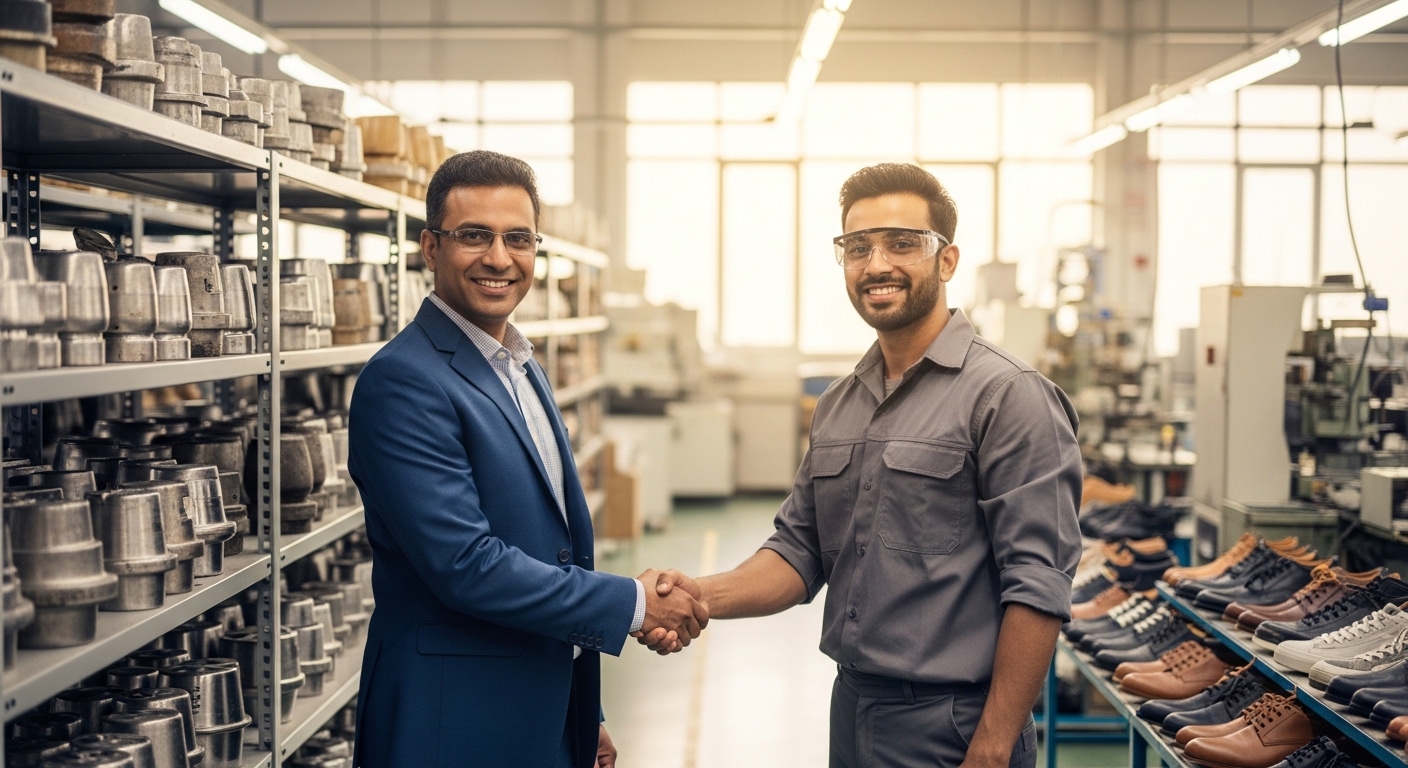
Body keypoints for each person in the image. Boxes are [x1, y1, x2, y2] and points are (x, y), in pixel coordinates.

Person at [642, 163, 1083, 768]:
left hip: (955, 722)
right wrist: (696, 595)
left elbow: (1037, 581)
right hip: (852, 706)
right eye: (858, 247)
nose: (876, 264)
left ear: (947, 261)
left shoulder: (1009, 397)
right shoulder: (840, 403)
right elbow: (800, 551)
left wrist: (993, 743)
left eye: (902, 243)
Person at [347, 150, 708, 768]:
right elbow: (466, 564)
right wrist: (636, 604)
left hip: (540, 708)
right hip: (453, 720)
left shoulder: (521, 366)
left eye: (518, 238)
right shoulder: (404, 381)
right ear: (430, 248)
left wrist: (580, 710)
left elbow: (551, 548)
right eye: (474, 237)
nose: (498, 258)